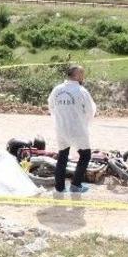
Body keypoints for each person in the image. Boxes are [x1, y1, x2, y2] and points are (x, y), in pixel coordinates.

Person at [48, 64, 97, 193]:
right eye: (82, 74)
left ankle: (59, 187)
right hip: (77, 128)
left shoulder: (57, 89)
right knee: (85, 155)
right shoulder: (81, 91)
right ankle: (76, 184)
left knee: (62, 156)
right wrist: (85, 122)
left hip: (61, 128)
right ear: (76, 75)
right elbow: (90, 110)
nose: (83, 76)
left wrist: (59, 119)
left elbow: (51, 106)